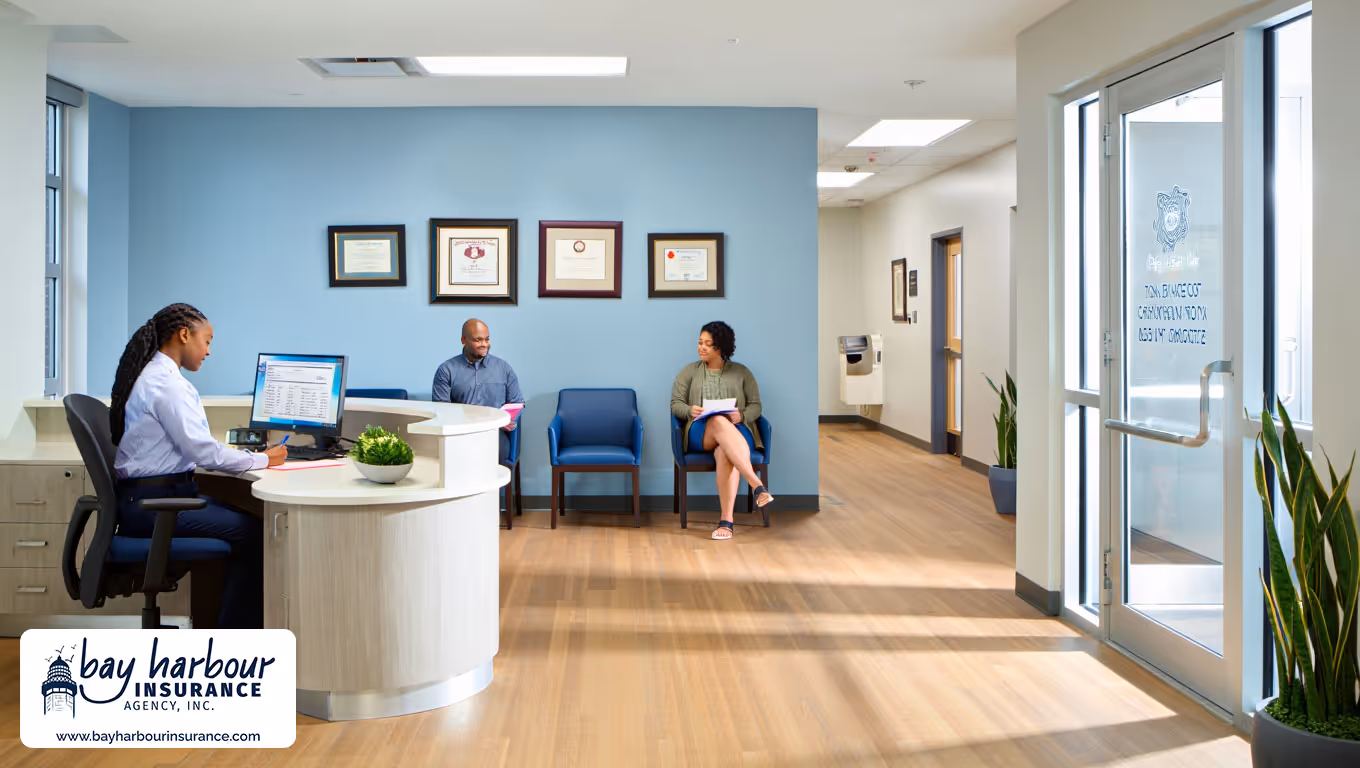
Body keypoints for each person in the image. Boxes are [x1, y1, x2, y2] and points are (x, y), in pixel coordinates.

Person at [111, 303, 286, 628]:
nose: (208, 351)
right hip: (154, 506)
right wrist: (263, 458)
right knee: (255, 535)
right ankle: (233, 644)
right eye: (206, 340)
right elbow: (203, 452)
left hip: (150, 499)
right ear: (183, 335)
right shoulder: (167, 385)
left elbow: (195, 446)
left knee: (247, 520)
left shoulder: (156, 376)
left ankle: (221, 630)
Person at [671, 321, 773, 540]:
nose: (702, 348)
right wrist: (690, 410)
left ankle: (726, 522)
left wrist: (742, 415)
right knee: (717, 420)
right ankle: (757, 485)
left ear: (721, 347)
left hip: (738, 429)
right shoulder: (689, 372)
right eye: (700, 342)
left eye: (709, 344)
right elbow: (675, 404)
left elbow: (756, 405)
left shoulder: (742, 372)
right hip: (701, 431)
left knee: (725, 452)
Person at [431, 318, 524, 466]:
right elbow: (442, 410)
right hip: (460, 434)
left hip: (495, 433)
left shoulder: (503, 368)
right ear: (463, 340)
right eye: (478, 340)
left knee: (494, 453)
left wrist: (507, 420)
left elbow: (516, 402)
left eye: (487, 339)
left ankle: (493, 489)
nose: (484, 344)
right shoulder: (446, 370)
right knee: (458, 457)